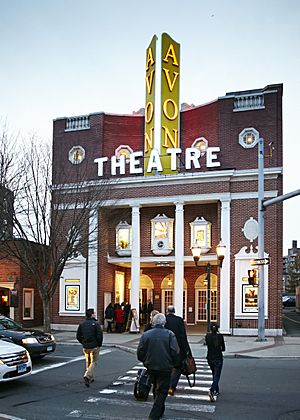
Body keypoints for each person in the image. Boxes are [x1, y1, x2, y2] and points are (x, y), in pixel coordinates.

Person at [137, 313, 180, 420]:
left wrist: (145, 361)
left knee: (156, 387)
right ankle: (154, 415)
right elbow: (175, 351)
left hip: (151, 366)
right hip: (165, 367)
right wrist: (174, 363)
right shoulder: (170, 335)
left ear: (153, 322)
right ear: (164, 323)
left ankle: (160, 410)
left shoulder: (146, 335)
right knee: (162, 391)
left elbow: (140, 352)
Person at [165, 305, 191, 396]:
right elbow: (183, 335)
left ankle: (165, 385)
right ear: (174, 311)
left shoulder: (164, 320)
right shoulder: (179, 320)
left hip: (166, 347)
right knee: (178, 367)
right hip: (177, 347)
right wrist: (187, 349)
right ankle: (172, 386)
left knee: (167, 367)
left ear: (167, 311)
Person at [76, 308, 103, 387]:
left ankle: (90, 377)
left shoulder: (82, 324)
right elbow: (99, 336)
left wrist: (83, 342)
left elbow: (78, 336)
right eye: (94, 313)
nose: (95, 314)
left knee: (88, 361)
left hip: (86, 346)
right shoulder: (96, 324)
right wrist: (99, 344)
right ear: (91, 314)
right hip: (94, 346)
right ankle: (87, 375)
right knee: (94, 361)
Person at [205, 322, 225, 402]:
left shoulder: (207, 336)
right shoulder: (220, 336)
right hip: (218, 357)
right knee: (217, 375)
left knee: (214, 373)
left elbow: (207, 345)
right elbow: (223, 348)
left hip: (210, 357)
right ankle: (212, 390)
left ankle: (216, 389)